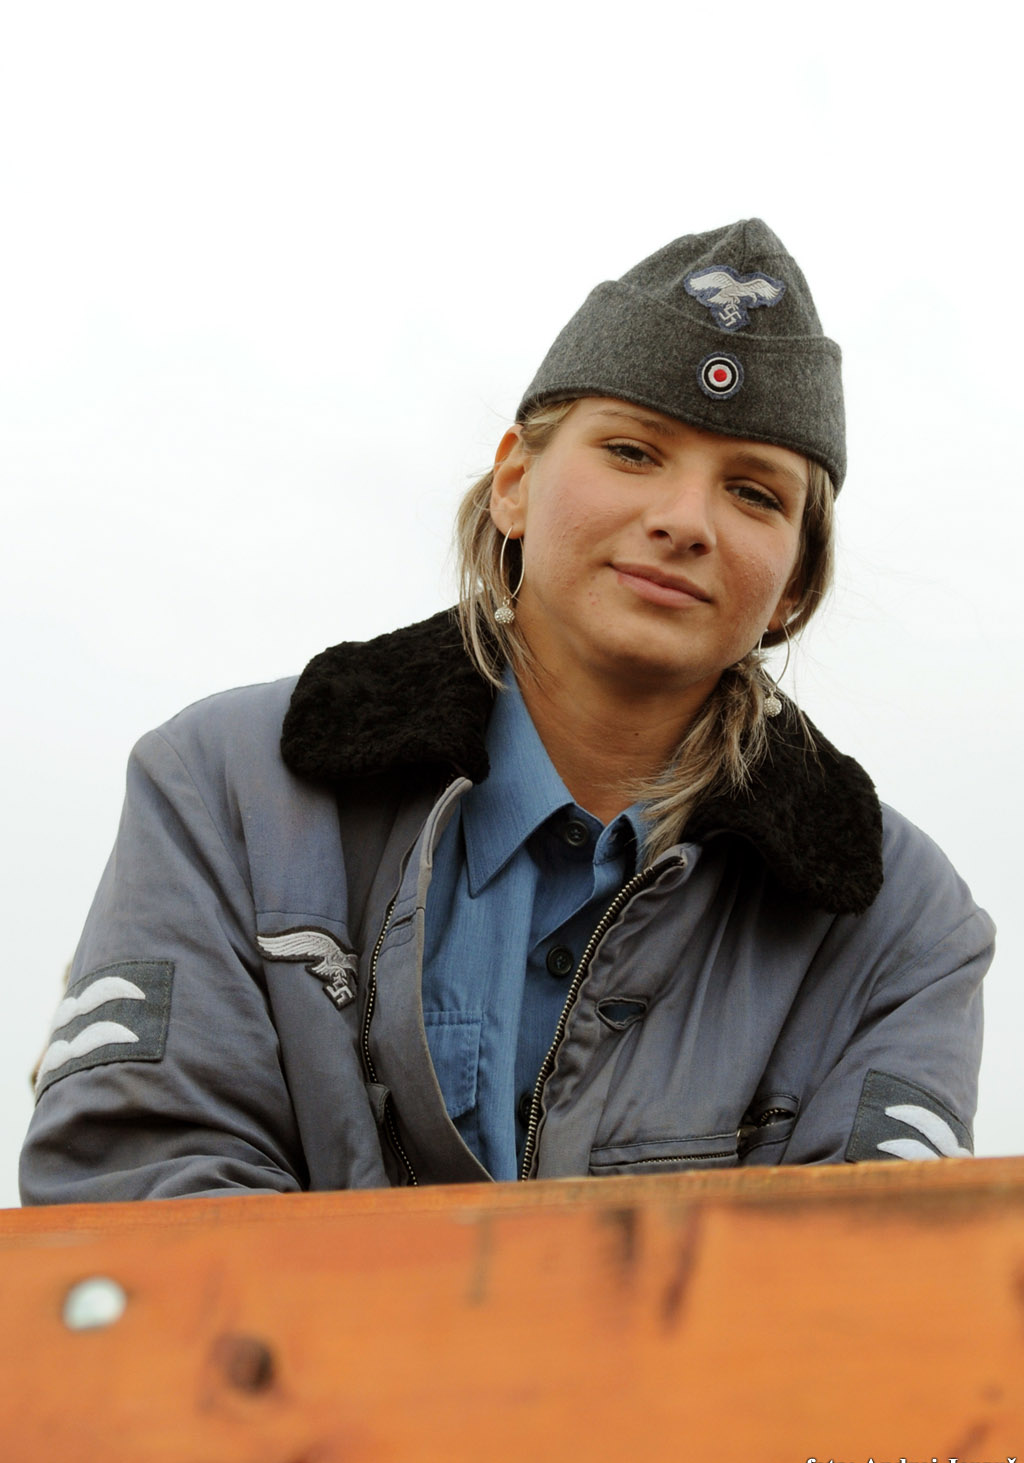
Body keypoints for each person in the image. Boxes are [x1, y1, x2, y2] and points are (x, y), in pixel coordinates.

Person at [20, 218, 994, 1202]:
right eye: (631, 451)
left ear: (797, 586)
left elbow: (874, 1271)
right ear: (515, 485)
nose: (683, 522)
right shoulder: (224, 788)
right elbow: (139, 1198)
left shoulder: (900, 926)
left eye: (752, 493)